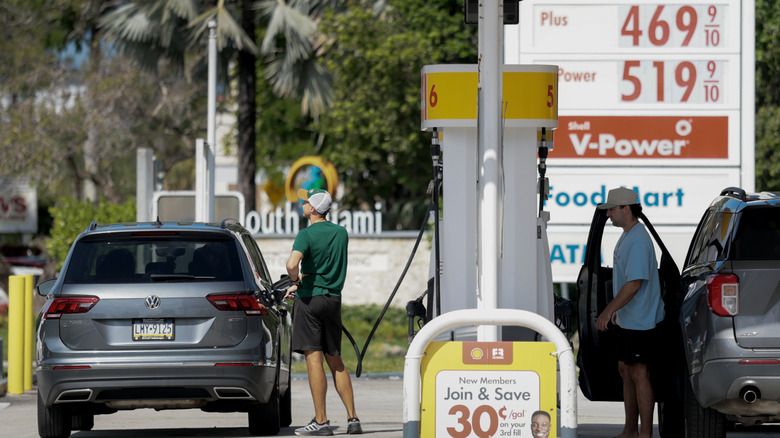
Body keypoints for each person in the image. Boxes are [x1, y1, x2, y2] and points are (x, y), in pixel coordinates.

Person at [285, 188, 362, 436]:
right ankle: (353, 419)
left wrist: (295, 281)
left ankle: (321, 422)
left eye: (305, 201)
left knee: (314, 360)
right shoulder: (341, 233)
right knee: (336, 360)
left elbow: (291, 264)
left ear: (314, 209)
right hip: (333, 300)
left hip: (309, 300)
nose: (302, 204)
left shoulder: (305, 234)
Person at [595, 187, 665, 438]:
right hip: (630, 318)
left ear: (626, 208)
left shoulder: (637, 240)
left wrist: (608, 310)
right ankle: (629, 429)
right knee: (626, 370)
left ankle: (644, 434)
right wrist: (619, 312)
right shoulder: (628, 235)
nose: (609, 215)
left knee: (638, 372)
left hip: (642, 321)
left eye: (612, 209)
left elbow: (634, 283)